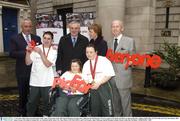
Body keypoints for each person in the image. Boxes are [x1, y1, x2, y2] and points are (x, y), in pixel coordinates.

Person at [9, 19, 41, 116]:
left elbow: (41, 51)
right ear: (22, 27)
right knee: (23, 93)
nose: (28, 28)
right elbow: (12, 53)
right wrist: (27, 51)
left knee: (34, 93)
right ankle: (22, 112)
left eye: (29, 26)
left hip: (35, 71)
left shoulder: (37, 38)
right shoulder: (15, 38)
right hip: (22, 71)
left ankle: (34, 111)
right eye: (25, 26)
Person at [25, 31, 57, 116]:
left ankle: (46, 117)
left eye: (49, 39)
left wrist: (40, 53)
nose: (46, 40)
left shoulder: (54, 51)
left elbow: (47, 64)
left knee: (47, 103)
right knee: (31, 103)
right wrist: (28, 52)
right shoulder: (36, 48)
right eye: (45, 38)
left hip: (47, 82)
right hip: (35, 81)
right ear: (42, 38)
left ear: (52, 40)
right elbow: (28, 63)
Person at [109, 20, 136, 116]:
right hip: (112, 79)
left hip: (124, 78)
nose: (115, 28)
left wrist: (132, 62)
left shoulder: (129, 41)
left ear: (122, 28)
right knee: (115, 103)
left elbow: (134, 59)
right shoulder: (109, 42)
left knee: (125, 104)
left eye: (117, 26)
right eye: (113, 26)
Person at [82, 44, 115, 116]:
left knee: (107, 108)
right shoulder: (86, 64)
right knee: (95, 109)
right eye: (87, 52)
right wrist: (88, 84)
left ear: (96, 52)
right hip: (92, 88)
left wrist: (99, 83)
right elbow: (84, 78)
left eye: (91, 52)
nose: (89, 54)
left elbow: (109, 74)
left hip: (104, 86)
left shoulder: (104, 60)